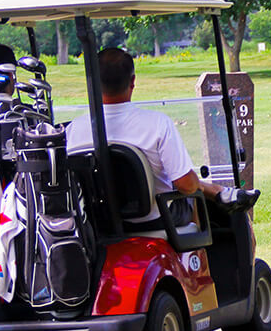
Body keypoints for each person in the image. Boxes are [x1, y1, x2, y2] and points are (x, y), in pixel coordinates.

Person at [64, 47, 257, 222]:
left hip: (98, 224)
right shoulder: (157, 124)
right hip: (156, 220)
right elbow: (186, 185)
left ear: (93, 83)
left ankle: (218, 192)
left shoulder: (74, 130)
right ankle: (198, 256)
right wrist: (204, 187)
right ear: (132, 82)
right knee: (194, 195)